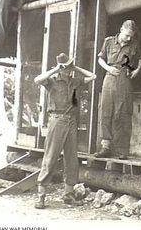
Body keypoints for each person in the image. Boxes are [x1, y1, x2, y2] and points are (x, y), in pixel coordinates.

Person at [33, 53, 96, 209]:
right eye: (66, 67)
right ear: (60, 68)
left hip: (71, 121)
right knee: (50, 158)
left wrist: (75, 67)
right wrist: (55, 69)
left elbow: (93, 76)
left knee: (71, 159)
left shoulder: (75, 81)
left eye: (69, 66)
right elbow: (37, 80)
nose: (68, 70)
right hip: (57, 120)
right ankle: (41, 196)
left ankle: (68, 195)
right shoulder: (52, 82)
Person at [94, 20, 141, 160]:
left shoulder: (134, 44)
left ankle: (122, 150)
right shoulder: (109, 41)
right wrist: (108, 68)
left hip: (125, 78)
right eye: (127, 35)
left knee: (122, 113)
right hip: (110, 76)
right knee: (106, 111)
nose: (129, 39)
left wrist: (136, 71)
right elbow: (100, 59)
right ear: (121, 29)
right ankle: (105, 147)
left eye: (131, 36)